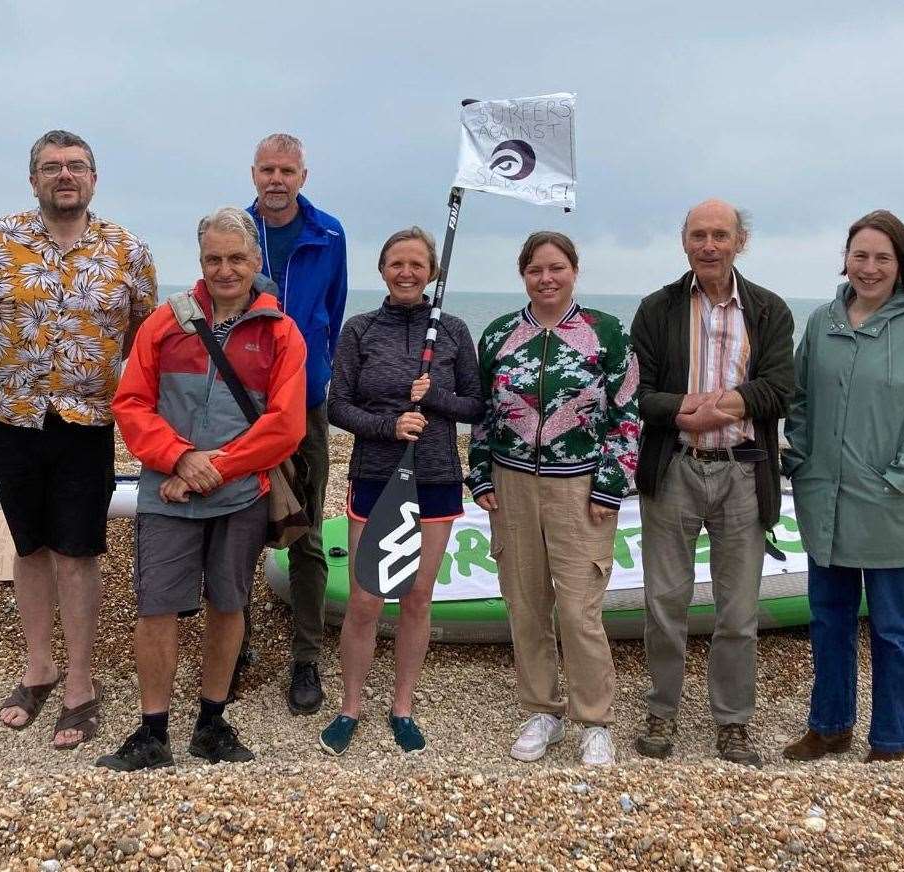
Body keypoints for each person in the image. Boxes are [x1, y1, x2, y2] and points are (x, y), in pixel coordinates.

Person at [0, 130, 157, 750]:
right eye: (51, 167)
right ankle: (38, 666)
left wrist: (87, 368)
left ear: (94, 178)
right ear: (33, 179)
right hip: (11, 416)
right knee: (30, 545)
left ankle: (79, 682)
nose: (63, 175)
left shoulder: (127, 248)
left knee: (77, 551)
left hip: (88, 421)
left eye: (75, 166)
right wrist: (22, 360)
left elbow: (143, 332)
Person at [98, 207, 307, 771]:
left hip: (239, 495)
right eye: (214, 258)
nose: (225, 269)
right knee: (156, 607)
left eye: (236, 257)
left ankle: (211, 723)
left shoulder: (281, 333)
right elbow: (132, 403)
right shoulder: (164, 324)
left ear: (256, 261)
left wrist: (215, 468)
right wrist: (180, 458)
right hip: (167, 491)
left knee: (230, 604)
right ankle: (152, 732)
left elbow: (286, 425)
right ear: (200, 261)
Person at [781, 210, 904, 764]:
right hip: (826, 502)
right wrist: (802, 455)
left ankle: (892, 737)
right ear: (846, 258)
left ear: (901, 262)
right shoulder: (821, 323)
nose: (869, 267)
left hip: (891, 505)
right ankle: (830, 725)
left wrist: (902, 475)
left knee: (894, 629)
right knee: (829, 619)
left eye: (882, 257)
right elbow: (800, 397)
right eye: (860, 255)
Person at [465, 232, 640, 766]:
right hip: (511, 485)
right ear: (523, 274)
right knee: (525, 604)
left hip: (580, 489)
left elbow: (627, 416)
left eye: (557, 268)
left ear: (574, 271)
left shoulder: (605, 334)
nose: (547, 278)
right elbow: (483, 415)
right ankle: (542, 709)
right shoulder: (498, 335)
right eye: (536, 269)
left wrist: (610, 486)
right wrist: (480, 476)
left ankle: (595, 720)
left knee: (579, 609)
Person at [629, 199, 793, 767]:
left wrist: (717, 409)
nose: (709, 245)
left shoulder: (770, 310)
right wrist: (682, 412)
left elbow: (779, 389)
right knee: (664, 600)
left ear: (739, 242)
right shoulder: (656, 309)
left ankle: (733, 721)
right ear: (684, 242)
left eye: (720, 235)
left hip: (745, 473)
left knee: (738, 610)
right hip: (674, 465)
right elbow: (639, 394)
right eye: (698, 234)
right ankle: (662, 708)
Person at [318, 227, 484, 756]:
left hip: (435, 478)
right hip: (374, 476)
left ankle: (403, 706)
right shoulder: (360, 330)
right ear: (383, 269)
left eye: (417, 264)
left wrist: (435, 396)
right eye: (397, 264)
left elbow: (476, 406)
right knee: (367, 599)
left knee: (416, 596)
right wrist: (389, 426)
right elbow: (337, 406)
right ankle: (349, 707)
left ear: (432, 271)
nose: (407, 272)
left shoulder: (453, 330)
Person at [238, 133, 348, 714]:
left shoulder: (329, 233)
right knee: (237, 528)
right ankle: (235, 648)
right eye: (266, 170)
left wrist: (313, 376)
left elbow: (331, 309)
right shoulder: (232, 227)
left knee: (303, 529)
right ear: (252, 173)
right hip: (238, 403)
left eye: (286, 170)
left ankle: (305, 658)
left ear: (303, 175)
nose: (276, 180)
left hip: (304, 403)